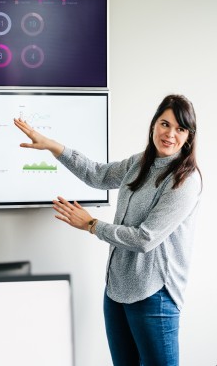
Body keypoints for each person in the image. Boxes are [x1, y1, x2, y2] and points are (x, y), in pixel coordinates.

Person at [14, 94, 202, 366]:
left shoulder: (185, 181)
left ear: (188, 136)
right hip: (115, 291)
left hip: (154, 295)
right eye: (165, 124)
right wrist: (53, 147)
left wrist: (92, 225)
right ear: (153, 126)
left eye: (180, 129)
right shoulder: (140, 163)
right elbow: (97, 175)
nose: (170, 134)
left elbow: (144, 238)